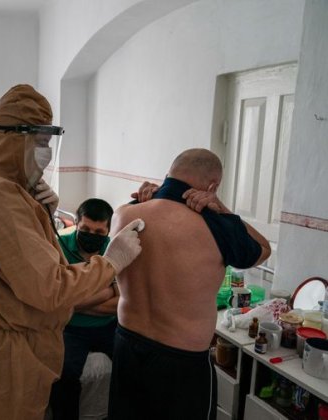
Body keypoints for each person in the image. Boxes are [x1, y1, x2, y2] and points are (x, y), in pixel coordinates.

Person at [0, 84, 144, 420]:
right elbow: (50, 287)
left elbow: (30, 262)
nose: (46, 153)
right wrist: (111, 261)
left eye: (49, 142)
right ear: (13, 140)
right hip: (12, 349)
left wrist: (40, 214)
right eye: (39, 142)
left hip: (13, 340)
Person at [108, 148, 271, 420]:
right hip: (181, 361)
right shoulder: (217, 225)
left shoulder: (124, 213)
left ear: (168, 175)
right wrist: (223, 209)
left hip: (127, 345)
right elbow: (264, 248)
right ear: (212, 187)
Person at [50, 198, 117, 420]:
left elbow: (121, 303)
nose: (91, 235)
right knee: (63, 374)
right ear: (76, 224)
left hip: (109, 325)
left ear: (108, 231)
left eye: (99, 232)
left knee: (132, 368)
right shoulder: (58, 246)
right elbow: (55, 298)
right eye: (85, 229)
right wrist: (107, 292)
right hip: (70, 327)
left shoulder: (114, 250)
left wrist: (73, 301)